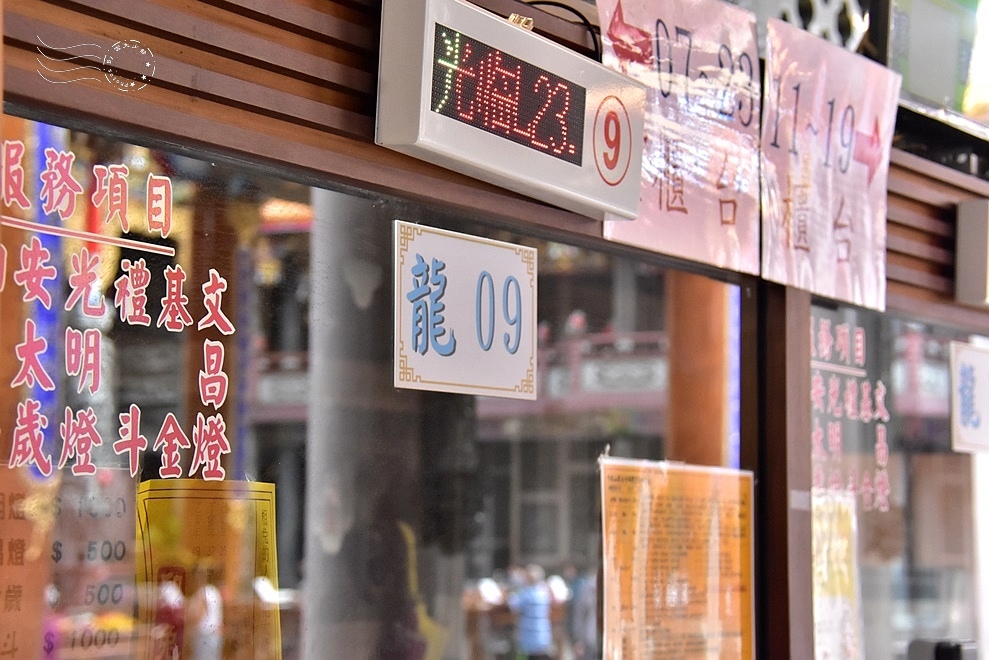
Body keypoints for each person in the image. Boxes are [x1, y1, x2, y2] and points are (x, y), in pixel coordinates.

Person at [507, 564, 554, 660]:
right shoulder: (544, 593)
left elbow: (513, 605)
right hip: (544, 634)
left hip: (529, 636)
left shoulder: (526, 594)